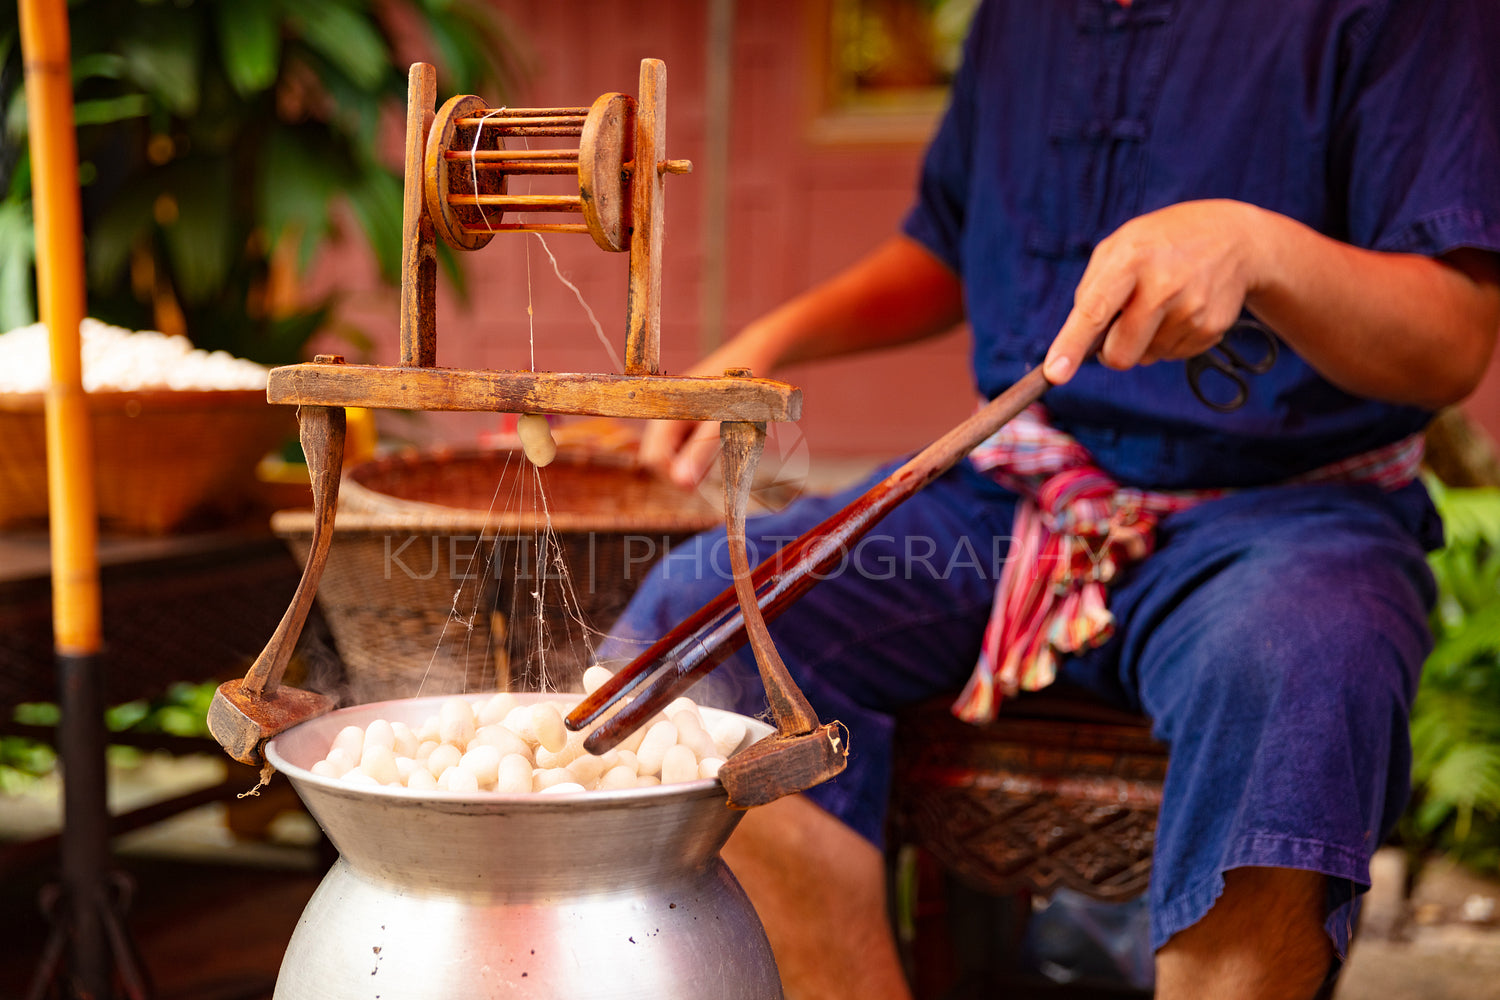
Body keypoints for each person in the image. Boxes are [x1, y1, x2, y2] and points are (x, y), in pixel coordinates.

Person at [601, 2, 1500, 998]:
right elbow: (949, 246)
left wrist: (1259, 249)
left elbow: (1453, 338)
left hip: (1289, 514)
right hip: (1026, 497)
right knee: (712, 625)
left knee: (1299, 668)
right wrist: (771, 341)